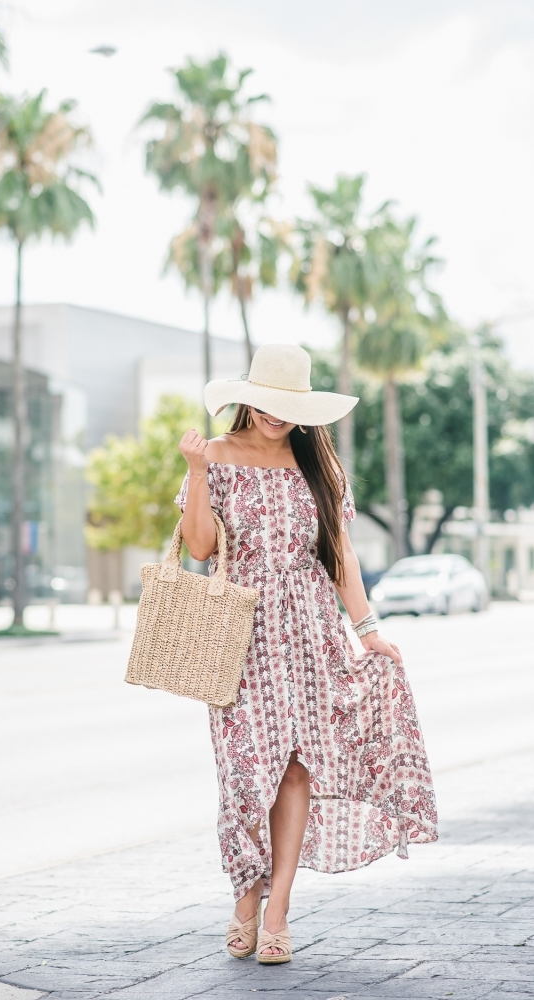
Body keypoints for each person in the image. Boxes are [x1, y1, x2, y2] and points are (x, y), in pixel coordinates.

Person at [176, 344, 437, 965]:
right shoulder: (216, 456)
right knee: (246, 773)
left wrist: (367, 629)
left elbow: (340, 556)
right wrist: (196, 471)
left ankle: (278, 912)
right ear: (249, 400)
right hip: (240, 632)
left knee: (296, 768)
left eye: (290, 406)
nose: (277, 416)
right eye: (269, 403)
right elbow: (201, 548)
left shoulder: (319, 468)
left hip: (311, 630)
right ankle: (246, 896)